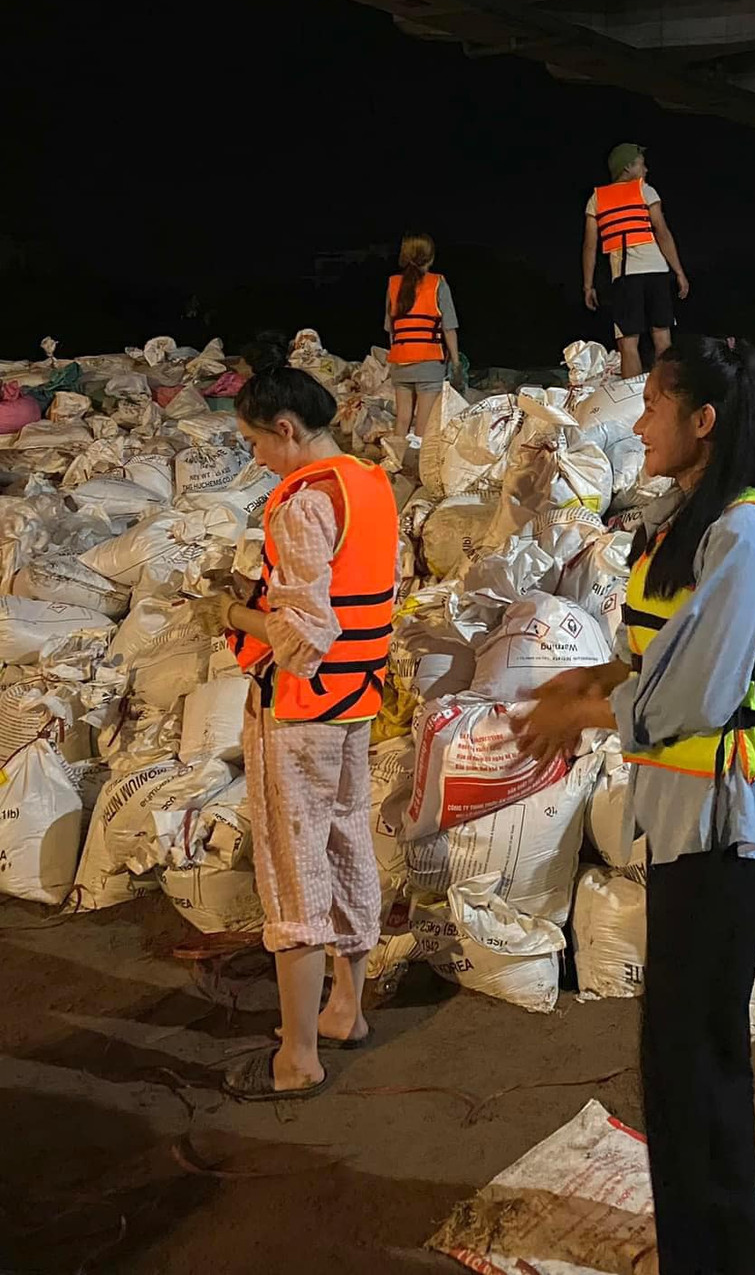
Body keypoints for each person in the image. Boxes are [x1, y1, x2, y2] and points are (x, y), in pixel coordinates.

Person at [516, 336, 755, 1275]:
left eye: (652, 405)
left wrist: (584, 710)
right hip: (689, 824)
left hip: (731, 828)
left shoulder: (750, 533)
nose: (637, 423)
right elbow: (657, 653)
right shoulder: (695, 518)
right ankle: (705, 1249)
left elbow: (690, 695)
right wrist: (589, 675)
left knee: (697, 1058)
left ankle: (719, 1261)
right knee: (678, 1051)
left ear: (703, 421)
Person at [212, 337, 398, 1101]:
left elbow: (301, 636)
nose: (256, 458)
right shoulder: (367, 482)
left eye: (255, 441)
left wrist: (228, 611)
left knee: (293, 871)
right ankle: (343, 1010)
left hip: (302, 711)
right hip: (355, 702)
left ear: (286, 427)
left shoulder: (302, 502)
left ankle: (296, 1056)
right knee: (348, 841)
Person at [582, 144, 690, 379]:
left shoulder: (597, 198)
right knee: (662, 338)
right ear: (628, 167)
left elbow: (590, 245)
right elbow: (662, 232)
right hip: (657, 271)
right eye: (641, 163)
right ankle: (666, 396)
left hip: (625, 276)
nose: (646, 168)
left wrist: (588, 285)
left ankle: (630, 400)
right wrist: (679, 271)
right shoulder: (646, 191)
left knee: (628, 344)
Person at [385, 233, 460, 444]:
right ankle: (416, 467)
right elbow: (449, 328)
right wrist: (455, 362)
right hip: (429, 363)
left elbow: (391, 329)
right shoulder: (438, 284)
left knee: (402, 420)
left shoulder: (393, 284)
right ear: (430, 257)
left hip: (400, 362)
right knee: (423, 425)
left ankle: (395, 462)